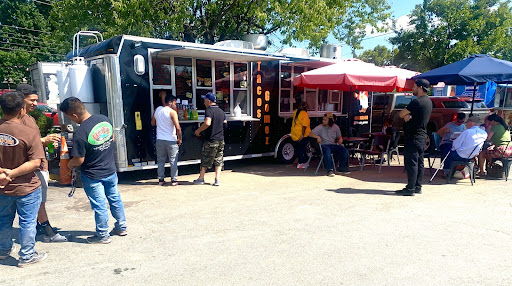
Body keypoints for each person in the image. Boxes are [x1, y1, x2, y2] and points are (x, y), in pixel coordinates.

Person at [60, 97, 127, 244]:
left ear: (74, 116)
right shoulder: (104, 119)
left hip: (92, 175)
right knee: (115, 199)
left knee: (99, 204)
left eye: (68, 117)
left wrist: (69, 166)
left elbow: (79, 160)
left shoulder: (80, 133)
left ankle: (102, 235)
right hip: (110, 170)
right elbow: (112, 139)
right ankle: (121, 227)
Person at [0, 91, 47, 267]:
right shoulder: (29, 133)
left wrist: (3, 174)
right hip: (26, 187)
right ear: (22, 110)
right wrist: (11, 174)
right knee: (27, 221)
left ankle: (3, 250)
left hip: (2, 187)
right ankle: (27, 256)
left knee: (3, 219)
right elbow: (35, 163)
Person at [15, 83, 67, 243]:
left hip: (39, 164)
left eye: (36, 100)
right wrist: (44, 140)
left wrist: (46, 143)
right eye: (31, 100)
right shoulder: (18, 120)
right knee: (38, 201)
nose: (35, 104)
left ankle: (39, 227)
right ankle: (47, 231)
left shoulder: (28, 118)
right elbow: (22, 143)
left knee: (39, 199)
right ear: (21, 99)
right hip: (33, 167)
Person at [396, 79, 433, 196]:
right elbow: (417, 116)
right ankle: (417, 186)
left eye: (414, 86)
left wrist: (407, 115)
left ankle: (410, 188)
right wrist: (410, 116)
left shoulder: (416, 102)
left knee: (411, 163)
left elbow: (401, 114)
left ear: (420, 87)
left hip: (413, 136)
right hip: (422, 136)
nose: (412, 89)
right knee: (419, 163)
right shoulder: (428, 102)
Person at [193, 92, 226, 186]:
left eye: (204, 100)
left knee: (205, 158)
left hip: (211, 139)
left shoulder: (209, 110)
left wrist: (198, 131)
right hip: (220, 139)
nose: (204, 102)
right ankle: (217, 179)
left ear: (208, 101)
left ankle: (201, 178)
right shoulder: (221, 111)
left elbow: (207, 123)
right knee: (218, 159)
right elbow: (225, 123)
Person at [151, 94, 182, 186]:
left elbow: (153, 123)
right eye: (174, 103)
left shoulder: (157, 110)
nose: (175, 105)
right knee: (173, 160)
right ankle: (174, 180)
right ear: (170, 102)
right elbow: (178, 127)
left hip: (160, 139)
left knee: (160, 160)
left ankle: (161, 180)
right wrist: (179, 138)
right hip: (171, 140)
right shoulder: (172, 112)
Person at [290, 102, 311, 169]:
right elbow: (304, 126)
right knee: (302, 149)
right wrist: (302, 135)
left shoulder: (296, 111)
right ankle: (300, 163)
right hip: (301, 134)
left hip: (295, 132)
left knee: (299, 148)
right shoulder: (304, 114)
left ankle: (303, 162)